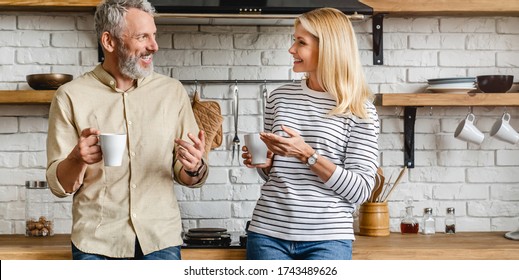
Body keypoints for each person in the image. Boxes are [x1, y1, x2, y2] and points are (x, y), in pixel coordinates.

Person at [46, 0, 208, 260]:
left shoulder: (172, 92)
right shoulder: (70, 96)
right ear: (109, 42)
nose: (154, 46)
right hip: (96, 244)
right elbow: (59, 186)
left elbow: (189, 176)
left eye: (153, 36)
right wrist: (76, 158)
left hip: (159, 241)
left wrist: (194, 166)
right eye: (143, 37)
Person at [242, 7, 379, 260]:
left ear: (328, 49)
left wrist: (308, 155)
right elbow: (275, 175)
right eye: (294, 40)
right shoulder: (279, 98)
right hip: (268, 233)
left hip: (328, 240)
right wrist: (266, 163)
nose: (292, 49)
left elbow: (360, 191)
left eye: (301, 42)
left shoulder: (360, 110)